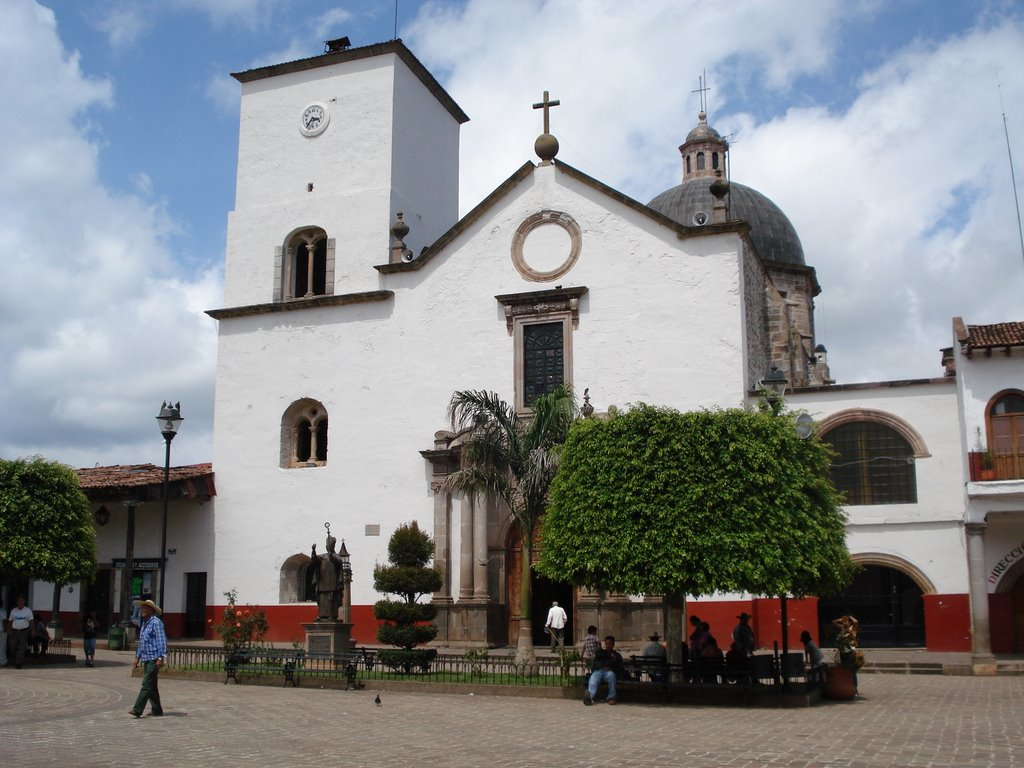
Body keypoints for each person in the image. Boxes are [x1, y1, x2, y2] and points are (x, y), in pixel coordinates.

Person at [130, 599, 167, 718]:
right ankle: (157, 709)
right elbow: (142, 643)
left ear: (151, 610)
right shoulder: (144, 624)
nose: (142, 610)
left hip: (154, 658)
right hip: (146, 657)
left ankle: (137, 709)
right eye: (142, 608)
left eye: (145, 608)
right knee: (152, 686)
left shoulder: (156, 623)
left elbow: (161, 641)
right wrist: (137, 657)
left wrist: (161, 657)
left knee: (146, 684)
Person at [584, 635, 625, 706]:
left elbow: (620, 668)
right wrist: (609, 655)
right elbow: (597, 656)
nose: (608, 645)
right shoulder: (601, 653)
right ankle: (589, 697)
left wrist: (611, 668)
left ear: (613, 644)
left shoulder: (617, 655)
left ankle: (611, 697)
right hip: (598, 671)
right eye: (606, 644)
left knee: (611, 675)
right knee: (593, 679)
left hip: (609, 672)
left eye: (610, 644)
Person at [8, 596, 33, 669]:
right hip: (14, 630)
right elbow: (10, 620)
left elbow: (31, 621)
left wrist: (33, 630)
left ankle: (19, 663)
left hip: (24, 631)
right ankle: (15, 658)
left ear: (24, 602)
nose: (20, 602)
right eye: (19, 601)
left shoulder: (28, 611)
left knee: (22, 646)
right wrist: (9, 629)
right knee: (12, 645)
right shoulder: (13, 611)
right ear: (17, 602)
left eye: (22, 601)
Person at [0, 597, 8, 668]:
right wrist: (6, 629)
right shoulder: (3, 611)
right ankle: (3, 661)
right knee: (2, 646)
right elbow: (4, 620)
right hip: (2, 630)